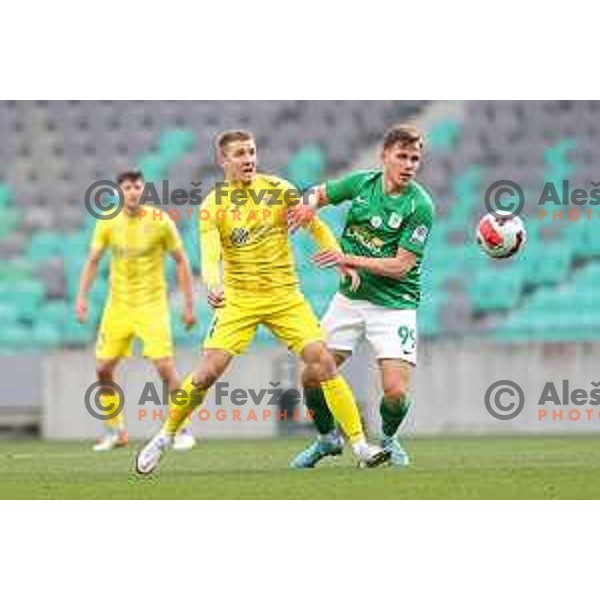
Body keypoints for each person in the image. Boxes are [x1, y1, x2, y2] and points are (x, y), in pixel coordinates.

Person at [136, 130, 390, 474]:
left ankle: (359, 445)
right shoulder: (214, 206)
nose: (248, 159)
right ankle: (165, 436)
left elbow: (314, 226)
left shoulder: (279, 190)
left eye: (252, 152)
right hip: (240, 300)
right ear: (223, 161)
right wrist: (213, 284)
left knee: (322, 361)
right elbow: (210, 258)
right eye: (239, 154)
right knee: (208, 372)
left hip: (285, 296)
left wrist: (340, 259)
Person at [289, 124, 435, 468]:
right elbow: (317, 193)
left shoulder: (421, 206)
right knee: (310, 375)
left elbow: (401, 266)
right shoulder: (361, 184)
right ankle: (327, 439)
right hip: (350, 301)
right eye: (402, 156)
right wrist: (309, 205)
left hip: (395, 305)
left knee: (396, 392)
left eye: (415, 158)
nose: (409, 164)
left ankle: (388, 438)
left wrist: (346, 258)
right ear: (384, 156)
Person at [76, 169, 197, 451]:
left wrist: (188, 305)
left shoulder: (160, 221)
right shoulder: (107, 222)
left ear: (144, 191)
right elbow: (93, 261)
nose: (133, 192)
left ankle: (182, 428)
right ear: (119, 192)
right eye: (128, 187)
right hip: (118, 306)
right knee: (103, 368)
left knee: (165, 368)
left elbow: (181, 261)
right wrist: (81, 298)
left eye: (137, 187)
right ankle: (115, 430)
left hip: (152, 305)